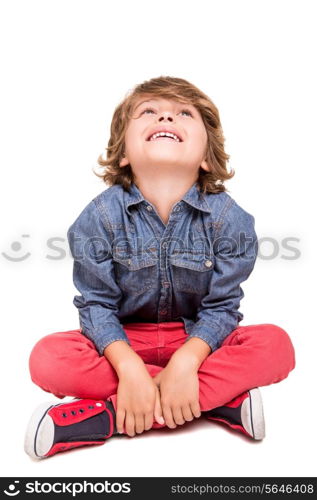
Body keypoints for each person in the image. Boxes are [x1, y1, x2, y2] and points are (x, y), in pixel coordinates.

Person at [24, 76, 296, 460]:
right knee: (48, 358)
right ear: (123, 154)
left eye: (183, 113)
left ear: (205, 156)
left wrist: (187, 359)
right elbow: (96, 307)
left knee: (276, 345)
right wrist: (130, 368)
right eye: (149, 112)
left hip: (198, 343)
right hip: (121, 345)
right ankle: (213, 402)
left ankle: (110, 416)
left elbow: (221, 309)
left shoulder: (230, 220)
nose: (166, 116)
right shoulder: (99, 217)